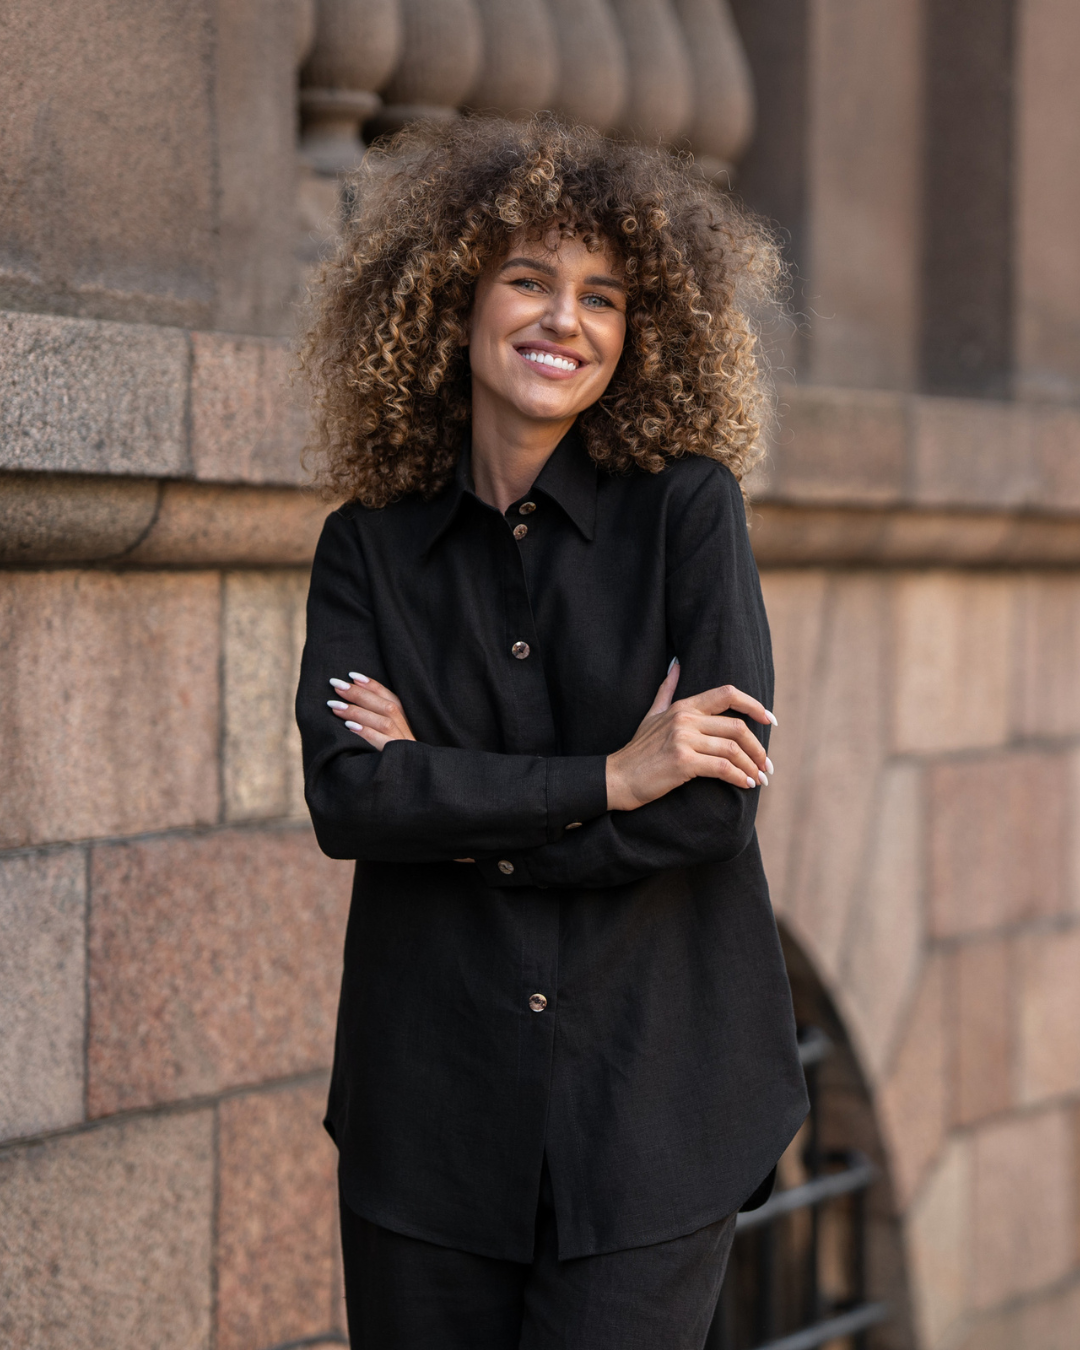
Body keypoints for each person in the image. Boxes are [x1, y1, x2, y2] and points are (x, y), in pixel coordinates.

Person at [296, 115, 808, 1350]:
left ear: (643, 335)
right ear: (451, 302)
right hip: (429, 1124)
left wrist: (455, 799)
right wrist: (609, 775)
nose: (562, 320)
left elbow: (708, 806)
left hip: (653, 1116)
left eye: (604, 297)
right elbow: (352, 804)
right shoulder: (369, 546)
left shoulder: (692, 513)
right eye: (528, 280)